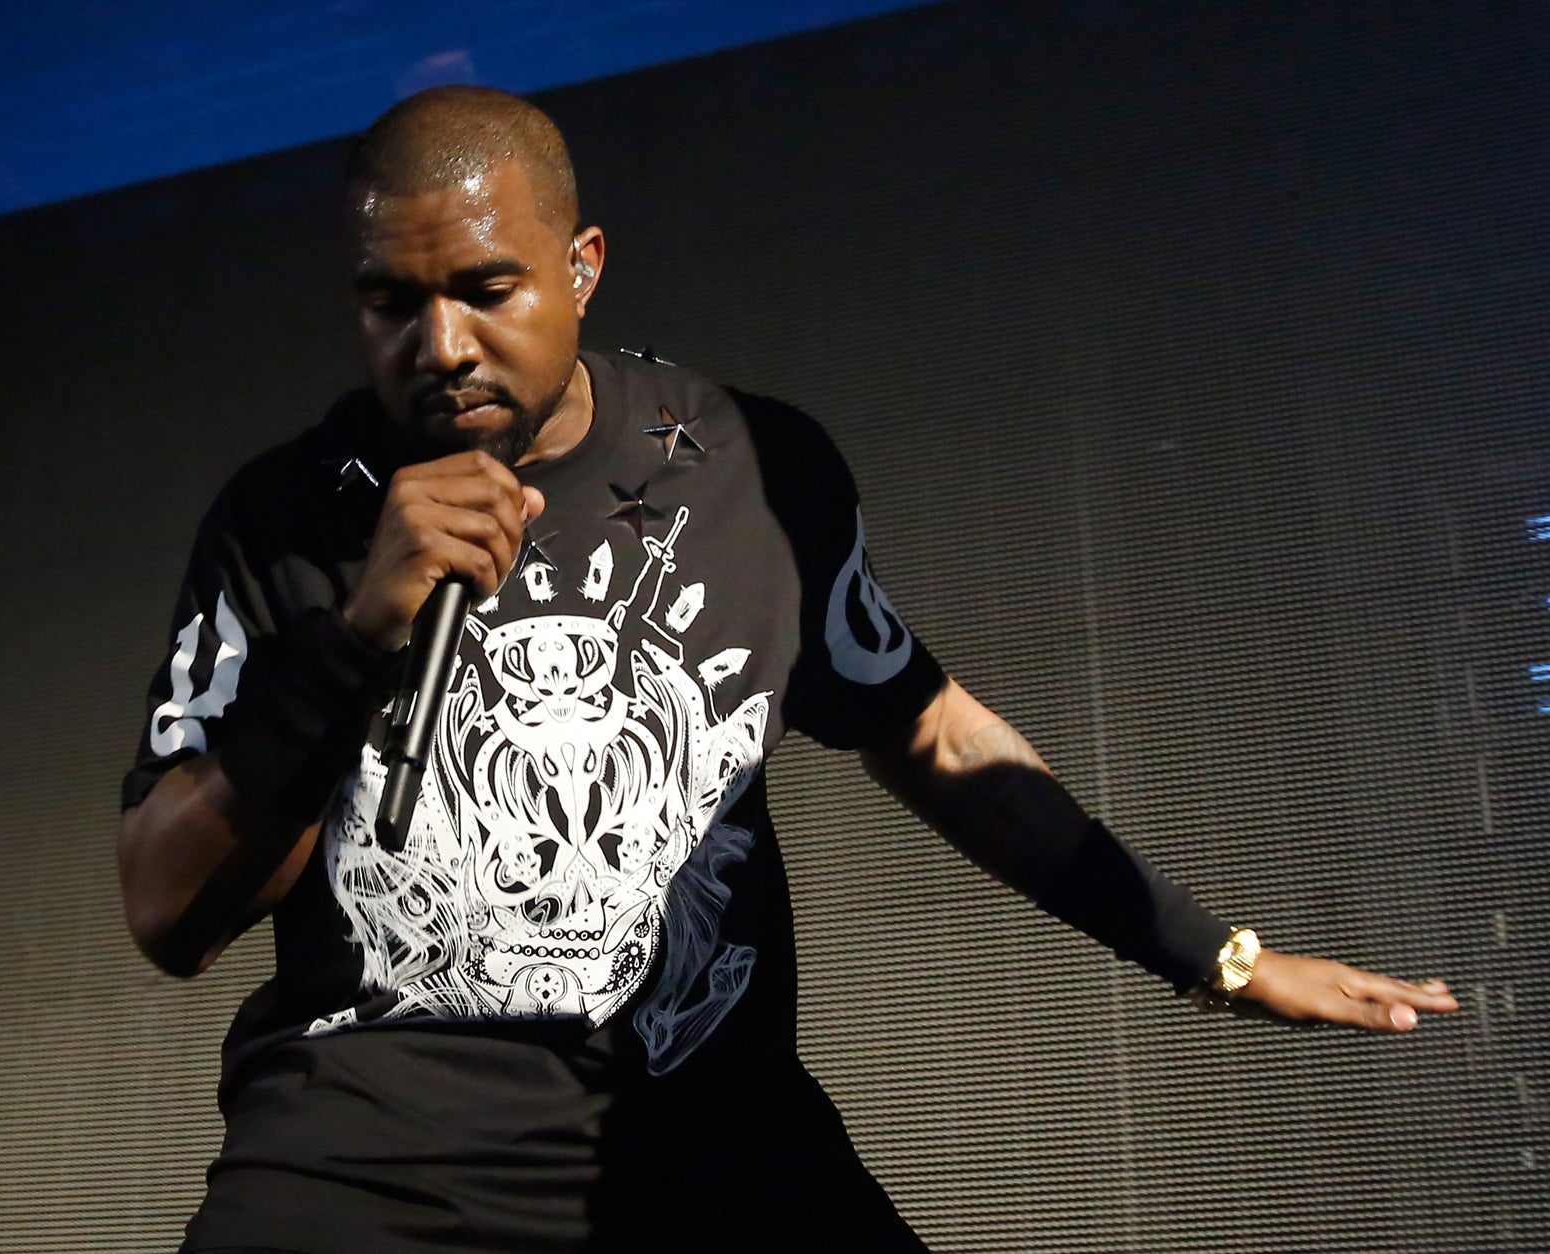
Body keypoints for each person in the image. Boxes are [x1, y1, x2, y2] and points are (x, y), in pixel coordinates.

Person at [117, 86, 1457, 1253]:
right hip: (371, 1164)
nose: (442, 346)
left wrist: (1210, 952)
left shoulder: (749, 466)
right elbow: (168, 912)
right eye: (391, 304)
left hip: (706, 1134)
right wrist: (353, 639)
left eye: (485, 289)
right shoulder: (284, 516)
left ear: (581, 267)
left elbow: (925, 729)